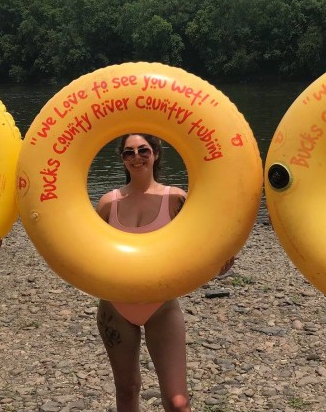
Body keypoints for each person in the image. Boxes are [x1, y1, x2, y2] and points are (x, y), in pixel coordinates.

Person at [95, 134, 234, 412]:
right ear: (122, 159)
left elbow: (202, 243)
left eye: (143, 150)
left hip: (162, 308)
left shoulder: (175, 198)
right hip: (116, 308)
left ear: (156, 153)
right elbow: (88, 251)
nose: (137, 157)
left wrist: (219, 261)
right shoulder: (109, 203)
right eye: (128, 153)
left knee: (177, 401)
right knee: (127, 390)